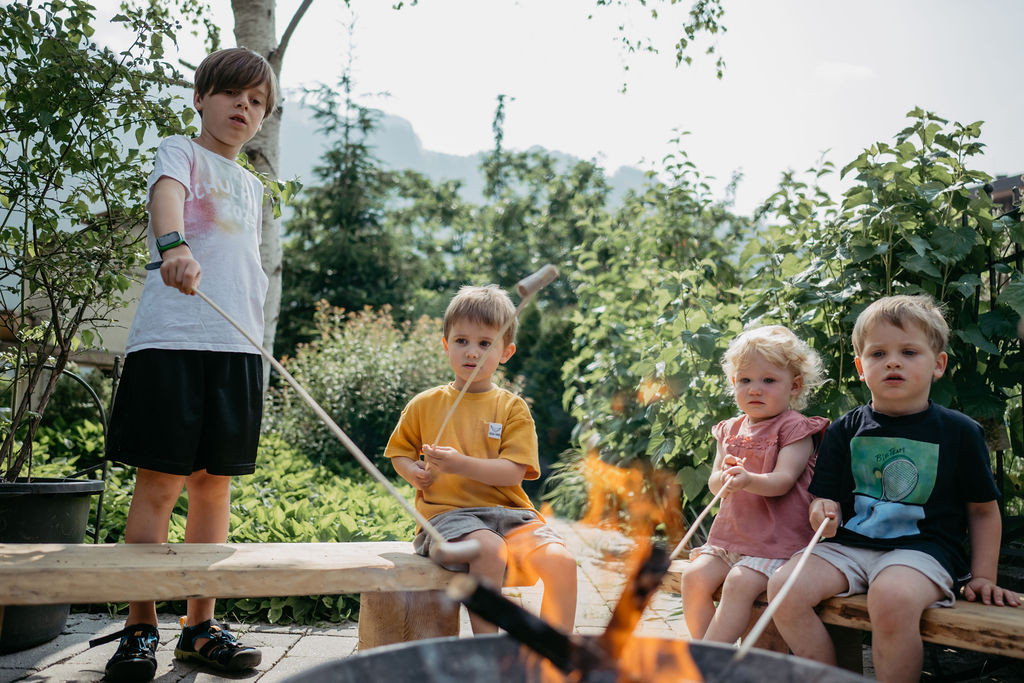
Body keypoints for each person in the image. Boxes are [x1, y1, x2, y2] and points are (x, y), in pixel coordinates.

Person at [95, 47, 278, 683]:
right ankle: (139, 625)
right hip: (173, 342)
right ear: (201, 98)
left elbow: (245, 267)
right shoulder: (180, 152)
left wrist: (257, 339)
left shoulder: (253, 185)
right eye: (231, 94)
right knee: (159, 484)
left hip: (236, 349)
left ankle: (200, 626)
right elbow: (166, 200)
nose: (243, 107)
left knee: (213, 486)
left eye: (257, 101)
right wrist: (173, 246)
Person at [768, 294, 1020, 683]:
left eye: (909, 352)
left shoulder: (959, 432)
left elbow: (983, 511)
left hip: (922, 552)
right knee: (784, 586)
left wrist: (983, 576)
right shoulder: (845, 429)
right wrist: (822, 511)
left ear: (938, 365)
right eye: (878, 353)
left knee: (890, 597)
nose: (893, 362)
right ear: (861, 367)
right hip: (851, 546)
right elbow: (824, 498)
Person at [384, 284, 577, 633]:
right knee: (488, 548)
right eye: (462, 341)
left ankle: (554, 654)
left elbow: (513, 473)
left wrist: (459, 464)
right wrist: (413, 472)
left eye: (485, 343)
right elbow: (399, 452)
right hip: (449, 518)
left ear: (506, 352)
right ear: (446, 345)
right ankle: (487, 652)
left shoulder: (512, 408)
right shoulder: (425, 404)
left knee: (561, 561)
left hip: (513, 516)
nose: (472, 352)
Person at [682, 325, 829, 644]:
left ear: (794, 386)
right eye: (745, 380)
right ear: (734, 382)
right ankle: (706, 651)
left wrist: (748, 480)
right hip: (732, 539)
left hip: (777, 543)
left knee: (738, 584)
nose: (755, 390)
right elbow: (714, 484)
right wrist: (725, 478)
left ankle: (710, 660)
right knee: (693, 578)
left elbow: (782, 481)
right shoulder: (729, 430)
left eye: (769, 381)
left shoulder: (794, 429)